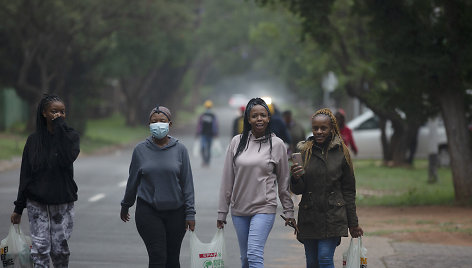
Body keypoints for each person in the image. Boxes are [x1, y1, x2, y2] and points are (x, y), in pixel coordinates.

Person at [217, 97, 296, 268]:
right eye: (254, 116)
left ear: (269, 118)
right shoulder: (236, 142)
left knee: (254, 255)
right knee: (245, 259)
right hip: (239, 210)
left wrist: (289, 210)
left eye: (263, 115)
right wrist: (222, 212)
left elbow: (283, 182)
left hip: (264, 208)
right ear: (248, 119)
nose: (259, 119)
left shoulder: (277, 145)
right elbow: (227, 179)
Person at [120, 106, 195, 268]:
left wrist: (190, 213)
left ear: (170, 124)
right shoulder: (140, 150)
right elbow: (132, 180)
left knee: (172, 259)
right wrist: (126, 205)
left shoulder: (180, 149)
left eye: (162, 121)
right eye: (154, 122)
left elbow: (187, 183)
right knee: (157, 256)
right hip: (148, 211)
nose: (158, 124)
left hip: (177, 212)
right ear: (149, 124)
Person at [11, 93, 80, 268]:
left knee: (60, 250)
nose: (58, 115)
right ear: (44, 113)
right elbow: (25, 174)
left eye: (62, 112)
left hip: (62, 202)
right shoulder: (33, 141)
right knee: (40, 248)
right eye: (54, 111)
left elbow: (67, 158)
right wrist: (19, 207)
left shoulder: (70, 137)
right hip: (37, 202)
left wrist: (59, 127)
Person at [291, 108, 364, 268]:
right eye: (315, 128)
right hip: (309, 216)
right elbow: (298, 190)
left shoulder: (342, 152)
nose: (319, 132)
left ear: (332, 129)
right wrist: (295, 178)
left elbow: (349, 191)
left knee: (324, 258)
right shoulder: (305, 151)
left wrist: (353, 223)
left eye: (323, 128)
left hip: (333, 216)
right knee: (312, 263)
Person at [196, 100, 219, 167]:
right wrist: (216, 133)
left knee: (204, 148)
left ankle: (205, 161)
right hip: (208, 134)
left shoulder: (203, 115)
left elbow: (199, 125)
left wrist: (197, 132)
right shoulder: (212, 115)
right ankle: (206, 161)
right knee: (207, 148)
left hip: (205, 134)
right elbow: (215, 125)